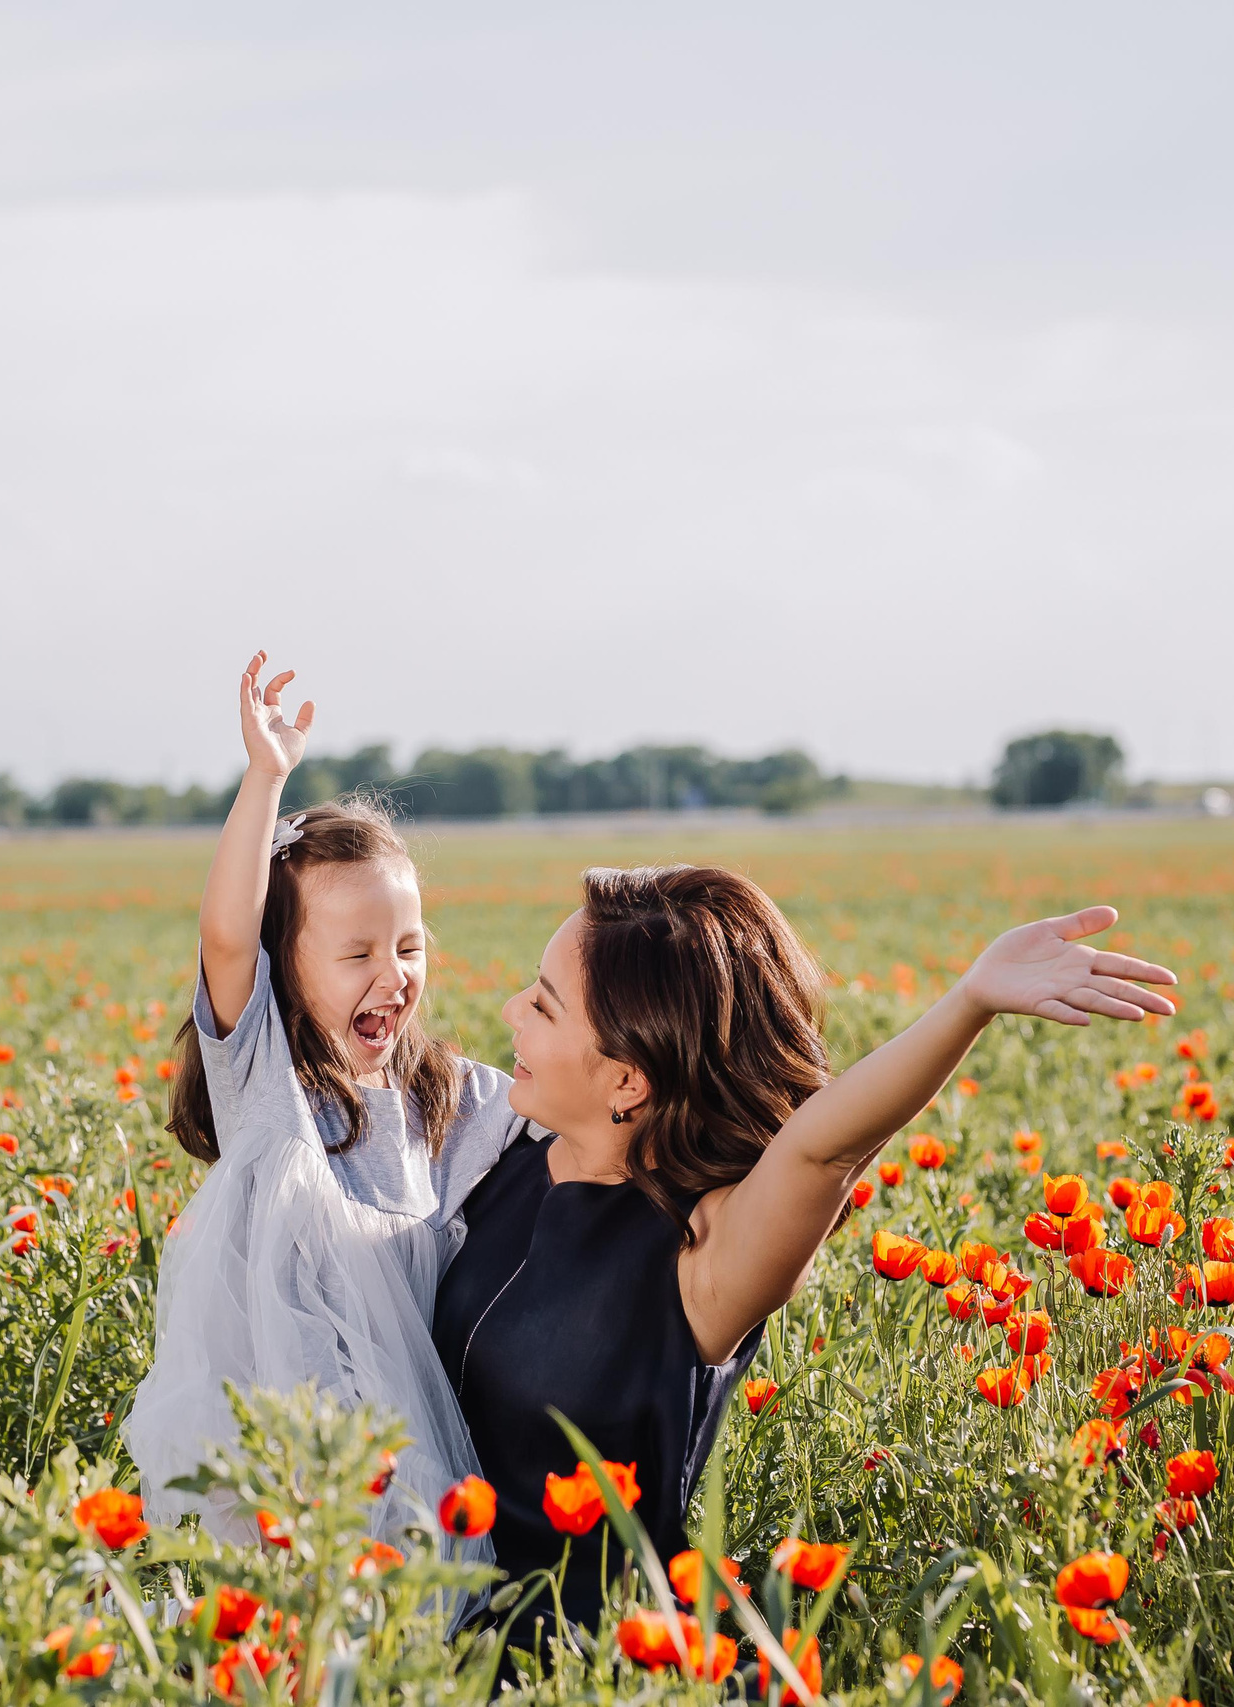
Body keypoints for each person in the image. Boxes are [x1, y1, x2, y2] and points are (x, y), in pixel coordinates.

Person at [432, 864, 1177, 1640]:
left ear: (628, 1079)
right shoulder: (492, 1155)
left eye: (545, 1006)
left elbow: (821, 1151)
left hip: (607, 1655)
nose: (512, 1010)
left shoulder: (702, 1256)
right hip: (432, 1623)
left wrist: (970, 1002)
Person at [125, 653, 523, 1549]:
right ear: (284, 967)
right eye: (358, 956)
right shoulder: (267, 1078)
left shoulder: (443, 1097)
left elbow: (558, 1114)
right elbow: (225, 934)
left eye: (410, 946)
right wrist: (267, 775)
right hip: (280, 1436)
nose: (395, 977)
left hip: (408, 1434)